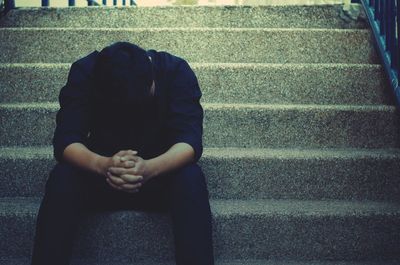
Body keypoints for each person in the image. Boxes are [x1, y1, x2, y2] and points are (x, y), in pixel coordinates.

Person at [30, 41, 214, 265]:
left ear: (151, 70)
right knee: (63, 177)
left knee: (190, 177)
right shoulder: (86, 72)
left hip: (159, 176)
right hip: (101, 177)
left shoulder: (175, 71)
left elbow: (189, 142)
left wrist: (149, 168)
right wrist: (103, 165)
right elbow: (66, 140)